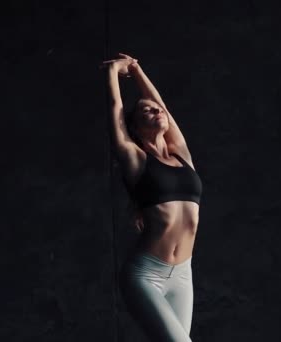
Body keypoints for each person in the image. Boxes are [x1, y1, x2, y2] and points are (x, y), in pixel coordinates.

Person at [101, 52, 203, 341]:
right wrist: (112, 73)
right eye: (147, 111)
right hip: (146, 275)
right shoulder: (135, 158)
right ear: (134, 127)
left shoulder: (181, 155)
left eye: (158, 110)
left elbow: (164, 107)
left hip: (183, 275)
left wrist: (136, 69)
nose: (157, 112)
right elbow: (116, 110)